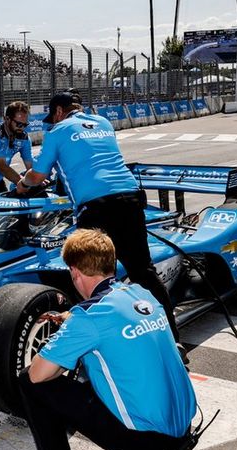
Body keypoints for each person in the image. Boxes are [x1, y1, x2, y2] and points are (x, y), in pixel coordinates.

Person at [21, 229, 196, 450]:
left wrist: (63, 340)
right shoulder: (141, 295)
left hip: (144, 439)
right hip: (183, 428)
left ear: (75, 272)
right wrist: (71, 318)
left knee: (29, 382)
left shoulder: (88, 318)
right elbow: (107, 319)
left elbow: (38, 374)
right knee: (112, 363)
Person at [16, 91, 185, 352]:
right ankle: (173, 340)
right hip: (129, 199)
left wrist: (22, 185)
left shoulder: (58, 131)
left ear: (59, 112)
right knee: (143, 271)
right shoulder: (103, 123)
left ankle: (93, 345)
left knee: (87, 275)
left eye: (53, 116)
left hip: (95, 208)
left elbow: (38, 175)